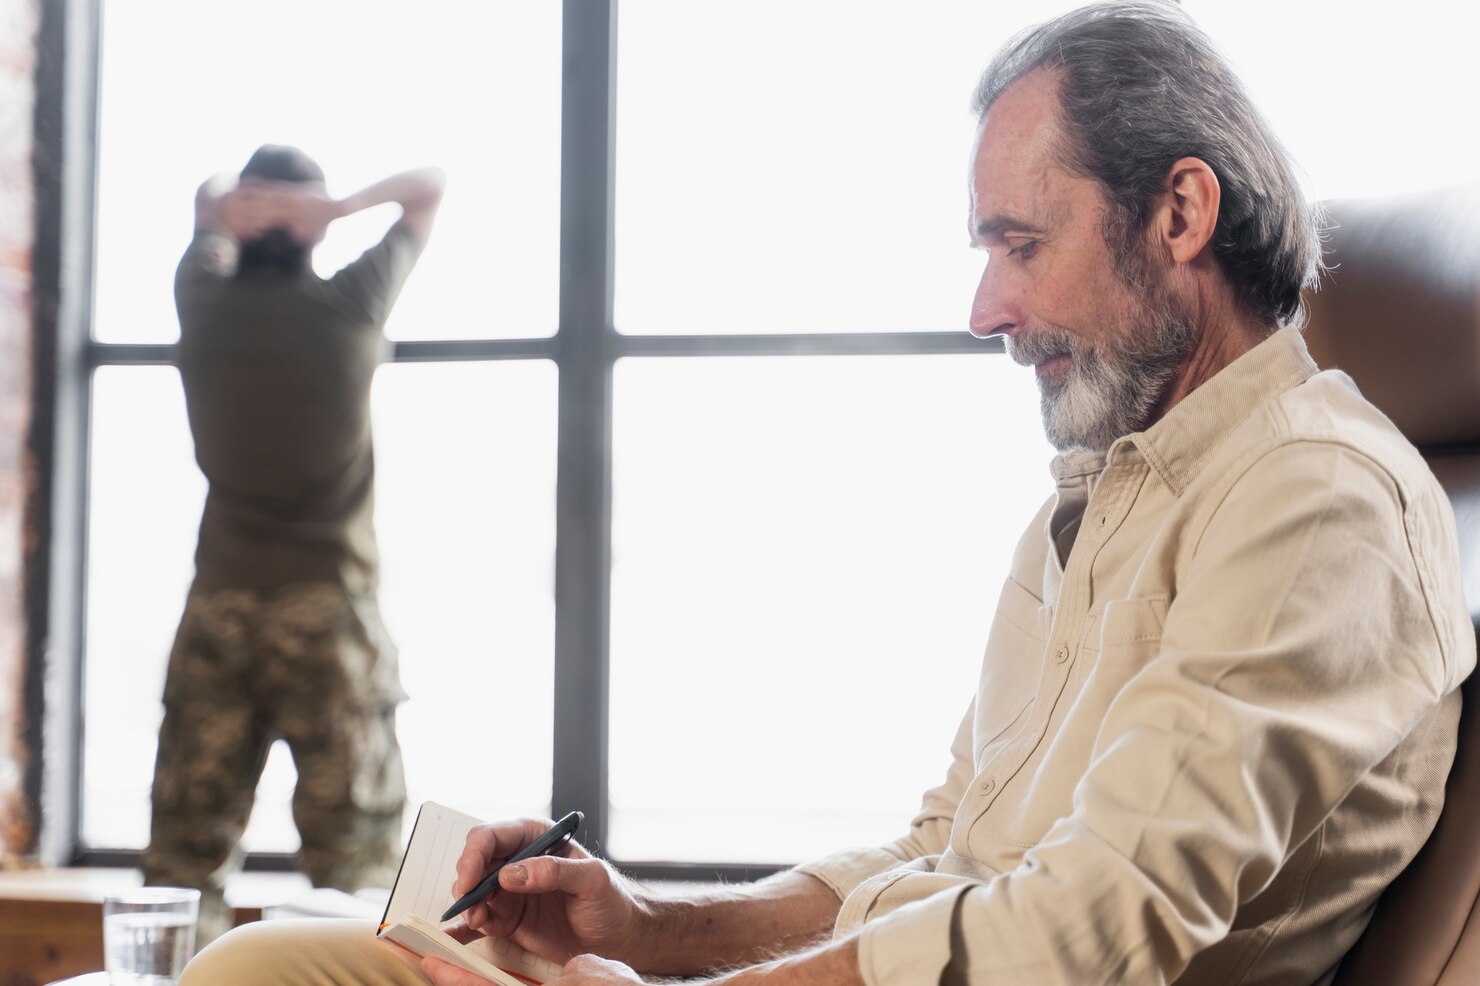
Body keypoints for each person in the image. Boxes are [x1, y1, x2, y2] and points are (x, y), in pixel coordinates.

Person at [180, 3, 1475, 983]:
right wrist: (647, 927)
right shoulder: (1098, 501)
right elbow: (943, 850)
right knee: (275, 957)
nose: (986, 308)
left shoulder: (1318, 503)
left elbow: (1091, 925)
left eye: (1020, 244)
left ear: (1180, 213)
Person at [143, 146, 445, 946]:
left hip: (218, 612)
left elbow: (206, 205)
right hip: (331, 618)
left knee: (183, 864)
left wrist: (225, 204)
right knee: (359, 871)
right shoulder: (349, 306)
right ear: (309, 230)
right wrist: (339, 208)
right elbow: (428, 187)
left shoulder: (202, 299)